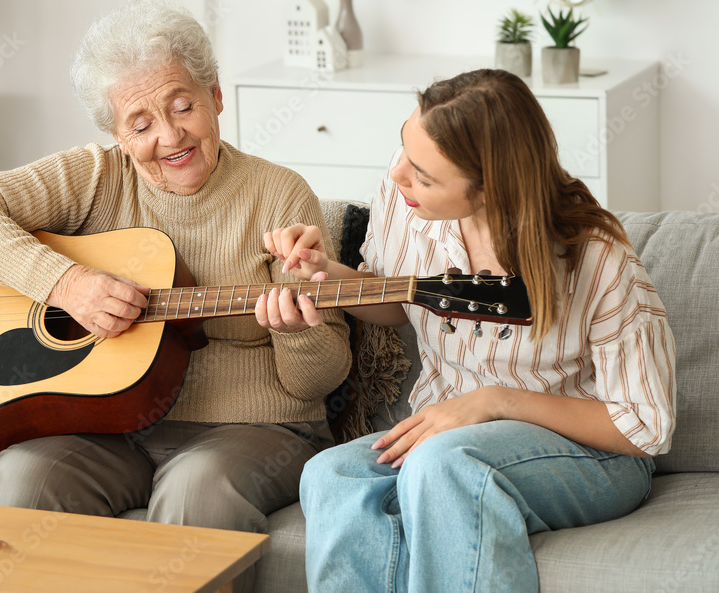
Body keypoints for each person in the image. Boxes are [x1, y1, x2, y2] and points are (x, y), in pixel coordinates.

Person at [0, 0, 350, 592]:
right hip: (109, 424)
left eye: (184, 107)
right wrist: (65, 283)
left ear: (217, 97)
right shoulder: (95, 177)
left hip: (253, 432)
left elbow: (318, 382)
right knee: (23, 480)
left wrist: (298, 332)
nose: (170, 135)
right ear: (116, 133)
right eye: (141, 123)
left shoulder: (280, 194)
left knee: (196, 488)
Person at [264, 68, 676, 592]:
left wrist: (498, 401)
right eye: (403, 152)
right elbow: (400, 303)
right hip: (449, 438)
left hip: (592, 457)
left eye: (425, 176)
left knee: (441, 464)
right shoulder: (406, 208)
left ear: (489, 190)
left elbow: (645, 427)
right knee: (331, 476)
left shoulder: (595, 258)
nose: (397, 178)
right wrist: (329, 275)